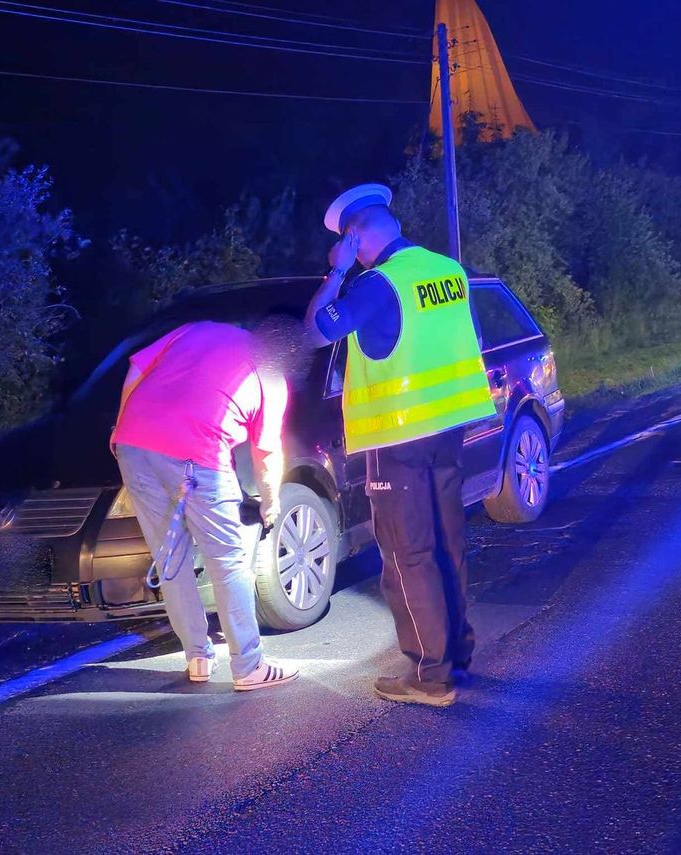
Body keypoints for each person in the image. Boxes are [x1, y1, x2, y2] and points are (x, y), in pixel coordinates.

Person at [304, 183, 495, 707]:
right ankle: (456, 653)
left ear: (354, 236)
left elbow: (317, 331)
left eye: (349, 242)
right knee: (446, 543)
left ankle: (430, 676)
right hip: (448, 429)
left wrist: (338, 271)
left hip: (398, 437)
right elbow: (466, 339)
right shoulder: (446, 271)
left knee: (408, 554)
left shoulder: (377, 283)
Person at [110, 315, 305, 691]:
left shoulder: (197, 330)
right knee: (228, 560)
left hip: (133, 446)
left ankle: (198, 657)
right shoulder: (272, 375)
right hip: (195, 453)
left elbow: (136, 367)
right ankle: (249, 666)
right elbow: (266, 452)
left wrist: (121, 427)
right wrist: (270, 502)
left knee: (171, 558)